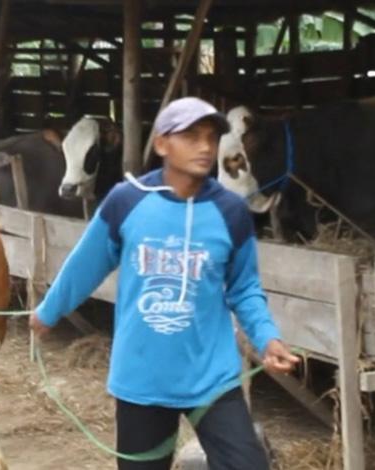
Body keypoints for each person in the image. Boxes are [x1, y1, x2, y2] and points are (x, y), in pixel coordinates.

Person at [29, 97, 299, 470]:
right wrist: (49, 310)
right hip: (142, 379)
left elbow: (244, 288)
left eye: (211, 136)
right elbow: (84, 265)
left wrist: (268, 338)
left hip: (211, 378)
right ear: (161, 144)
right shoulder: (127, 202)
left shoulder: (231, 212)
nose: (205, 146)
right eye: (190, 136)